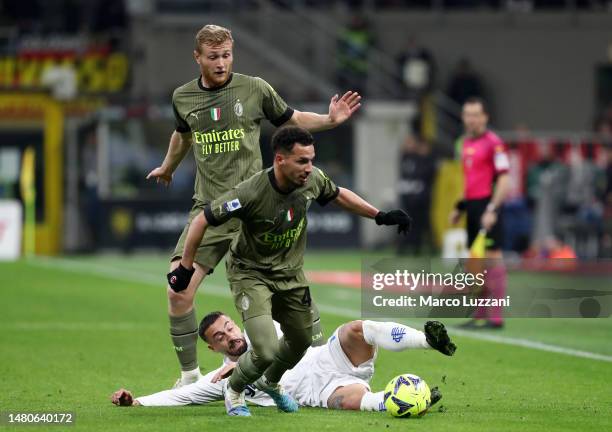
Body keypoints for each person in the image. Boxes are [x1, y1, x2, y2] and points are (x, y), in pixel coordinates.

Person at [146, 24, 362, 389]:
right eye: (213, 57)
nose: (221, 62)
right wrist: (169, 166)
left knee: (291, 309)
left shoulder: (254, 88)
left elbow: (290, 119)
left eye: (226, 55)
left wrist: (329, 120)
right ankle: (189, 377)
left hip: (257, 207)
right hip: (212, 208)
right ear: (197, 57)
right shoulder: (183, 97)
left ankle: (301, 371)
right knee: (177, 291)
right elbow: (183, 134)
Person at [166, 126, 413, 416]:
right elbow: (202, 220)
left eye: (311, 159)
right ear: (280, 159)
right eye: (302, 161)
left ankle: (272, 382)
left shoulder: (313, 180)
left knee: (301, 340)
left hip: (290, 275)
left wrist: (380, 216)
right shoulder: (250, 192)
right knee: (266, 348)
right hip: (251, 274)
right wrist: (185, 266)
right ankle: (234, 392)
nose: (309, 168)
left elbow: (337, 195)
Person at [111, 311, 456, 411]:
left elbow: (282, 343)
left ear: (236, 322)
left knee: (356, 329)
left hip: (328, 357)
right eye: (219, 337)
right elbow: (181, 396)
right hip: (318, 391)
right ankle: (413, 399)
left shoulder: (266, 328)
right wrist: (137, 401)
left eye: (228, 327)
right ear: (214, 349)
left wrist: (247, 364)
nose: (229, 336)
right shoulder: (224, 379)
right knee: (352, 401)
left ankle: (428, 341)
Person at [449, 97, 510, 329]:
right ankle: (479, 315)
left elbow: (504, 180)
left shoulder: (494, 143)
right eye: (467, 114)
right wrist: (460, 207)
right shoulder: (462, 143)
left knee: (493, 259)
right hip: (472, 208)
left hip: (488, 207)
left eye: (476, 115)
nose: (471, 119)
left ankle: (496, 317)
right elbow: (471, 181)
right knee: (475, 264)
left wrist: (492, 209)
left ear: (485, 117)